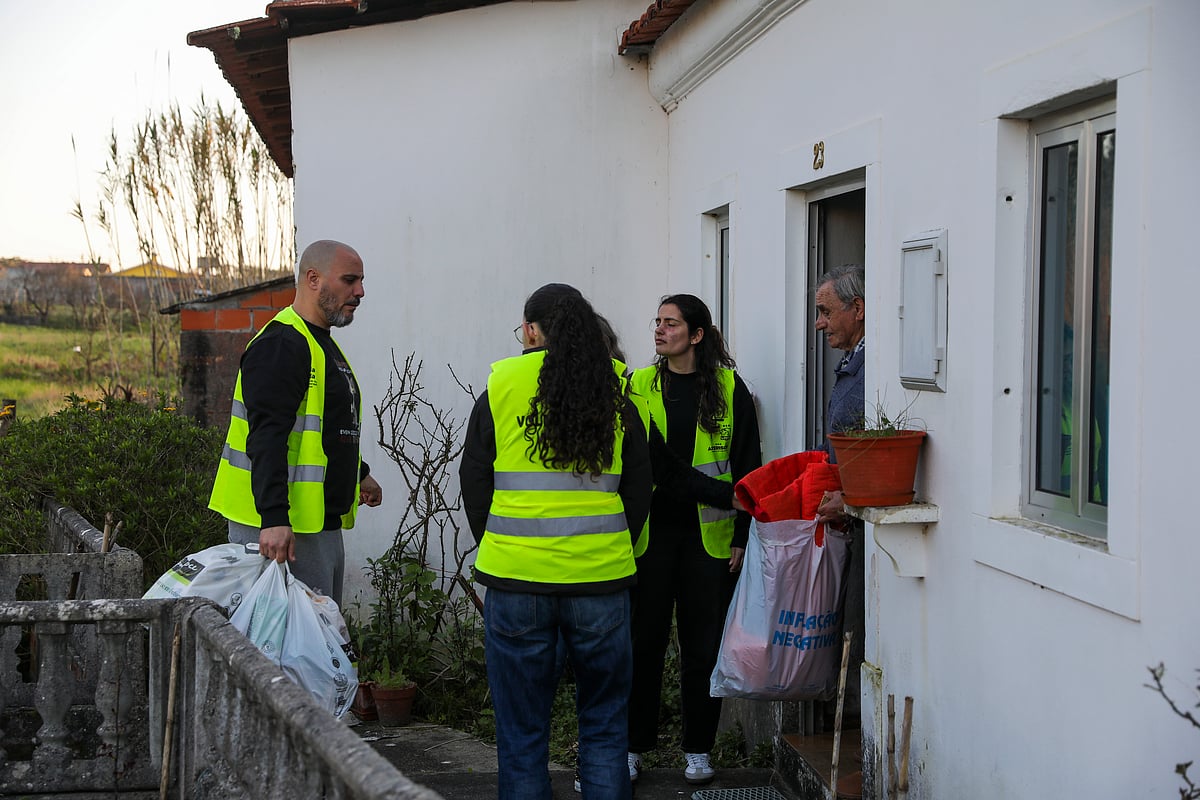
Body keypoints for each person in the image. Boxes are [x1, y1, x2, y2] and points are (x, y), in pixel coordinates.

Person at [459, 283, 652, 800]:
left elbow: (475, 478)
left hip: (517, 583)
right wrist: (613, 543)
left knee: (522, 738)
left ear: (530, 330)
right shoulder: (613, 387)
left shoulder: (502, 385)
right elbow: (638, 483)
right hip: (601, 583)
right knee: (607, 732)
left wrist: (500, 542)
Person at [627, 294, 761, 786]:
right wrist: (724, 493)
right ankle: (632, 746)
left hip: (710, 540)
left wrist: (742, 535)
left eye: (671, 323)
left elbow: (750, 469)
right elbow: (651, 463)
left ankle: (699, 750)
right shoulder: (636, 385)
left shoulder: (729, 387)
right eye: (657, 322)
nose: (659, 331)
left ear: (697, 335)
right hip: (650, 537)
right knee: (643, 645)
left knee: (703, 649)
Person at [209, 240, 383, 606]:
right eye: (350, 280)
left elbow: (324, 428)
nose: (361, 292)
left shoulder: (318, 343)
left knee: (317, 644)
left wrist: (358, 473)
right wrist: (273, 518)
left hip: (313, 524)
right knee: (290, 651)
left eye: (361, 281)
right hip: (283, 530)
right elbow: (267, 436)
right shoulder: (282, 344)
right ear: (313, 278)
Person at [812, 264, 866, 748]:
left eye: (826, 311)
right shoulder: (853, 362)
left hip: (865, 524)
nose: (820, 322)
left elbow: (875, 446)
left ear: (859, 309)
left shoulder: (876, 367)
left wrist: (851, 499)